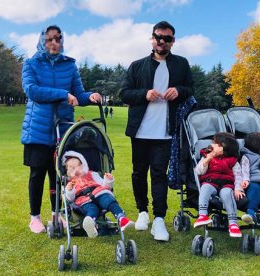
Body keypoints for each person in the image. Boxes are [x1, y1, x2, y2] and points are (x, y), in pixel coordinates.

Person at [21, 25, 101, 234]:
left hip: (63, 130)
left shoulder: (70, 66)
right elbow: (32, 91)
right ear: (42, 41)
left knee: (59, 175)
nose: (54, 43)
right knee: (37, 173)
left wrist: (90, 96)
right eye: (49, 39)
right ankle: (35, 217)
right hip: (38, 130)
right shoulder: (31, 64)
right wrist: (62, 94)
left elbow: (79, 94)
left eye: (57, 39)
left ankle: (58, 214)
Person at [120, 21, 194, 241]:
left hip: (165, 132)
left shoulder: (181, 64)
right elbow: (124, 93)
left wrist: (178, 91)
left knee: (159, 174)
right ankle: (143, 212)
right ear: (152, 38)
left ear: (173, 41)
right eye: (158, 37)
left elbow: (190, 89)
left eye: (167, 38)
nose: (162, 41)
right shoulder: (137, 65)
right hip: (140, 131)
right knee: (138, 173)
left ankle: (159, 219)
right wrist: (145, 94)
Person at [63, 151, 134, 238]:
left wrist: (108, 180)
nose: (76, 170)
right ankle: (89, 222)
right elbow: (70, 199)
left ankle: (121, 218)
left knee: (109, 201)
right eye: (72, 168)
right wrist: (69, 190)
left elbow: (105, 185)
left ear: (83, 165)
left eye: (78, 166)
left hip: (99, 192)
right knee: (92, 209)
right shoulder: (70, 183)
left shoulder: (92, 174)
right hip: (83, 200)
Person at [193, 132, 243, 238]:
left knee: (226, 194)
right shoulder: (207, 156)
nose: (212, 145)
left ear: (225, 148)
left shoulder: (233, 161)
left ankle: (233, 223)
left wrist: (238, 189)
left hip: (226, 184)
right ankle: (203, 215)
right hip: (210, 181)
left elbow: (238, 177)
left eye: (217, 144)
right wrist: (208, 159)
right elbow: (198, 171)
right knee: (205, 188)